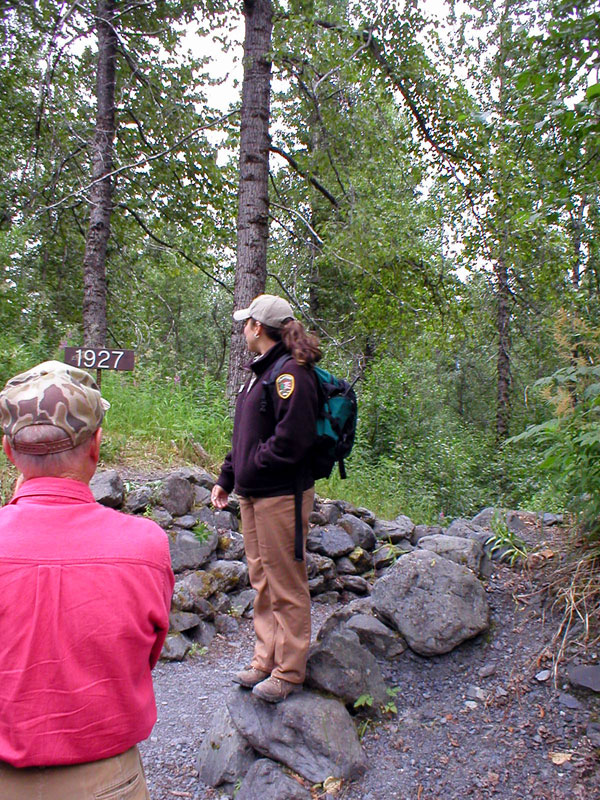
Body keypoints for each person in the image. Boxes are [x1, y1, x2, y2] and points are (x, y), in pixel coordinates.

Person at [0, 360, 174, 799]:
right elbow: (144, 656)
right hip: (107, 782)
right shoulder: (145, 546)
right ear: (96, 445)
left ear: (8, 451)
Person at [211, 294, 321, 703]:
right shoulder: (259, 373)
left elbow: (292, 442)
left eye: (246, 322)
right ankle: (265, 659)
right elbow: (245, 437)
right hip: (254, 493)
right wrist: (228, 476)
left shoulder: (292, 373)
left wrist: (251, 466)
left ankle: (289, 671)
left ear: (257, 327)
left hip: (281, 494)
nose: (243, 328)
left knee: (285, 581)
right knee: (261, 578)